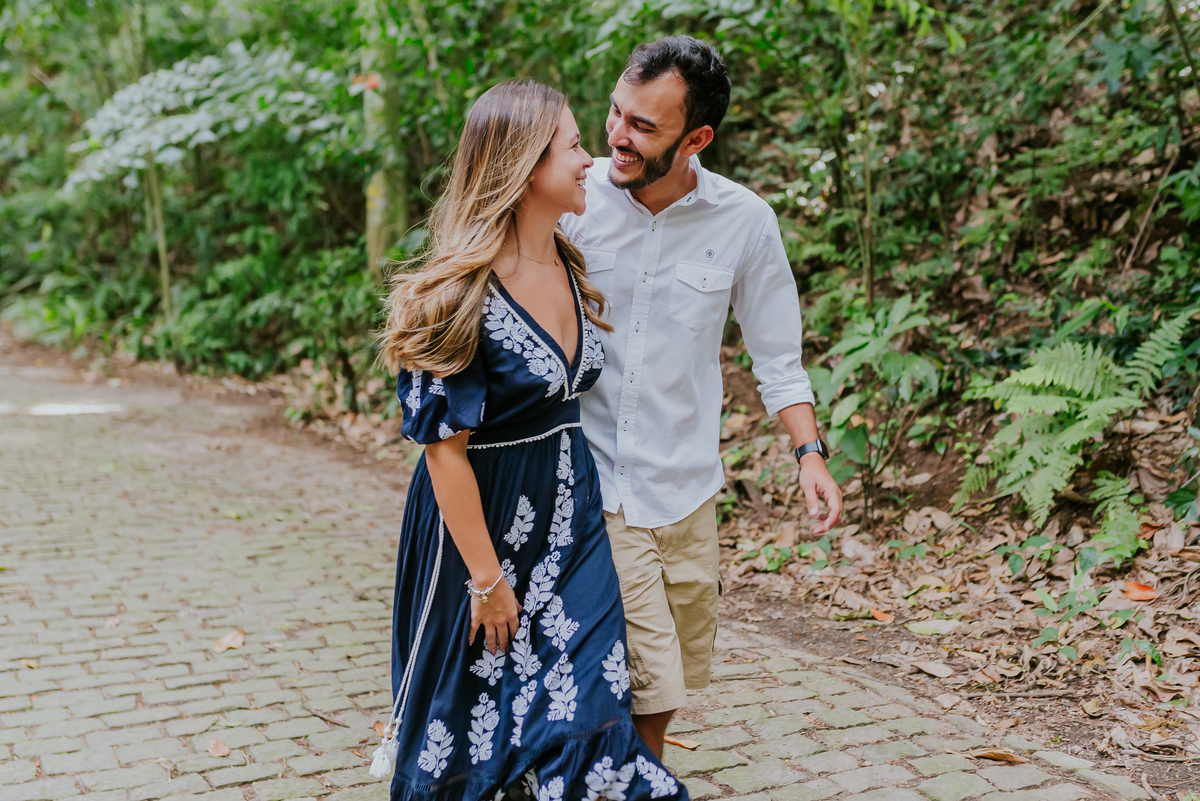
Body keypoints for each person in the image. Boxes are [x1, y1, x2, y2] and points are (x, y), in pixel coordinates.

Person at [373, 80, 689, 801]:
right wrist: (485, 580)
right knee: (470, 721)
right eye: (574, 145)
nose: (590, 159)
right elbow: (442, 447)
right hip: (477, 528)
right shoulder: (456, 293)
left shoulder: (569, 263)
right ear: (522, 166)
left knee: (588, 702)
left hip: (570, 523)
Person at [559, 36, 845, 758]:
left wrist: (809, 455)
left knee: (671, 682)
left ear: (697, 139)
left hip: (687, 486)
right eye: (616, 114)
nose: (617, 138)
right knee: (648, 675)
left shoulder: (744, 221)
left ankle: (621, 772)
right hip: (596, 479)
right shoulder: (573, 197)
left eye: (644, 127)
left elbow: (777, 354)